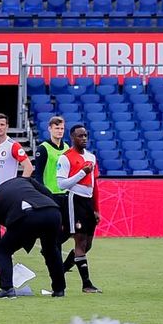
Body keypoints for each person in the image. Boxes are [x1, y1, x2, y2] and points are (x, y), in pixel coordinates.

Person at [0, 176, 67, 298]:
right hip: (53, 212)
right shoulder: (24, 180)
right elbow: (47, 193)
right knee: (51, 250)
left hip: (27, 215)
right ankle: (59, 290)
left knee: (2, 250)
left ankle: (6, 289)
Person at [57, 124, 102, 294]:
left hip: (88, 202)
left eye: (85, 136)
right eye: (80, 136)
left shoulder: (91, 157)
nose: (84, 139)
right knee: (80, 241)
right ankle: (86, 284)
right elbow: (62, 184)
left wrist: (96, 208)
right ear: (72, 138)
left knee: (87, 244)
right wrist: (82, 173)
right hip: (74, 200)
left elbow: (94, 184)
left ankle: (60, 270)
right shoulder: (65, 157)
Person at [0, 113, 33, 201]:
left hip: (7, 193)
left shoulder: (13, 145)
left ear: (7, 126)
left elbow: (29, 167)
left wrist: (19, 187)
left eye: (2, 125)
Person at [31, 115, 69, 212]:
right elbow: (38, 175)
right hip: (50, 194)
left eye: (62, 128)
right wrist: (44, 193)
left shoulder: (67, 148)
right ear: (50, 129)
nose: (60, 131)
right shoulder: (43, 148)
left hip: (65, 193)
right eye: (56, 128)